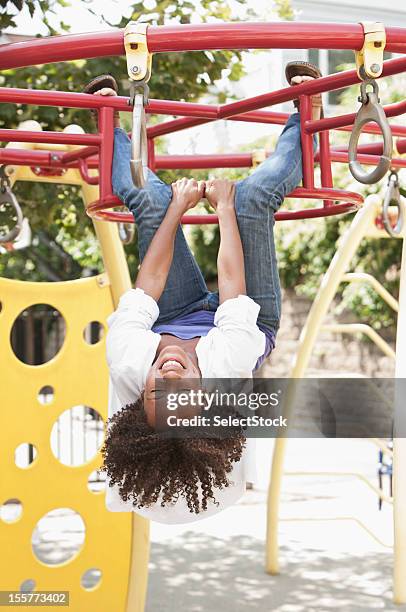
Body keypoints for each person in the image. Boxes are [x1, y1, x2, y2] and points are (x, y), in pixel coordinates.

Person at [85, 62, 322, 523]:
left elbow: (149, 282)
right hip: (247, 321)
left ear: (140, 397)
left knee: (150, 200)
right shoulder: (225, 366)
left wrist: (176, 207)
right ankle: (304, 106)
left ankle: (110, 115)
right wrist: (226, 209)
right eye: (184, 391)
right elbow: (233, 288)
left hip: (172, 315)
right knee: (254, 199)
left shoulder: (130, 358)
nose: (172, 373)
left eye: (161, 393)